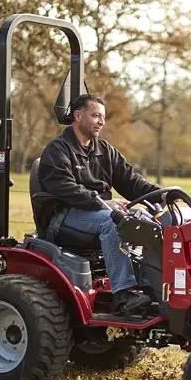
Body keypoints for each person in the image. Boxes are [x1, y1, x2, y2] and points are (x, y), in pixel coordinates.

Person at [37, 94, 157, 314]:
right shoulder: (58, 150)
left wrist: (162, 195)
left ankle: (150, 285)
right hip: (66, 214)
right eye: (95, 116)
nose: (101, 121)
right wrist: (103, 204)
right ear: (78, 115)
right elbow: (65, 188)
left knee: (147, 220)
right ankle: (124, 294)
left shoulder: (104, 150)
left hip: (98, 210)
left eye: (103, 117)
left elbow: (131, 182)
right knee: (112, 222)